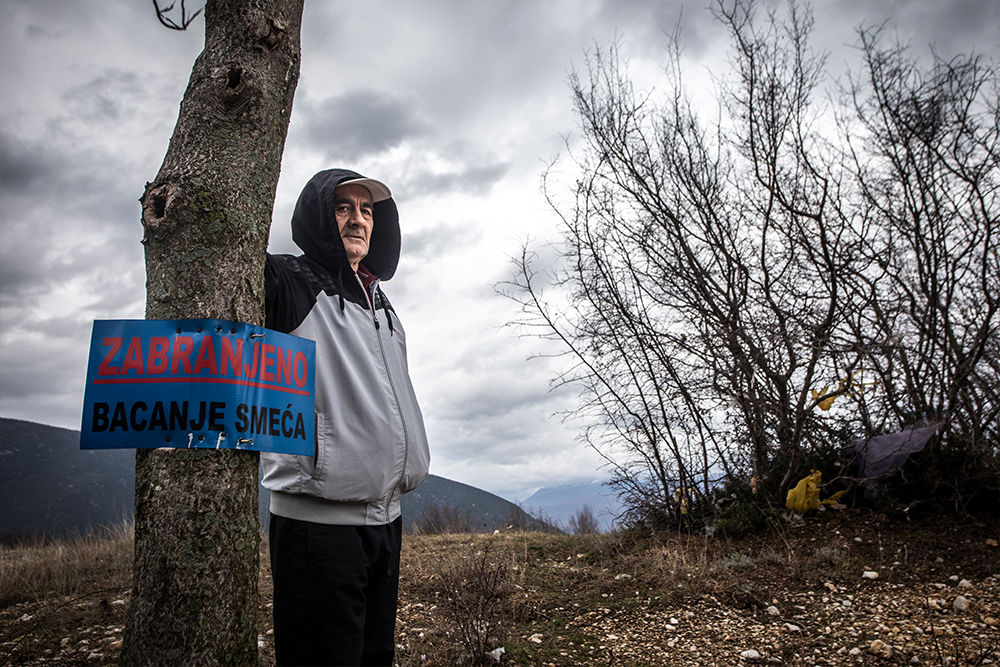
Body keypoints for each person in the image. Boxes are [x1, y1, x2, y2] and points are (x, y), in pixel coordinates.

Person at [261, 168, 431, 666]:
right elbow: (228, 266)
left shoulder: (382, 304)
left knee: (374, 657)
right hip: (317, 527)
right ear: (318, 217)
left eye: (366, 210)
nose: (357, 219)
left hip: (386, 521)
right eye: (342, 208)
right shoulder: (290, 283)